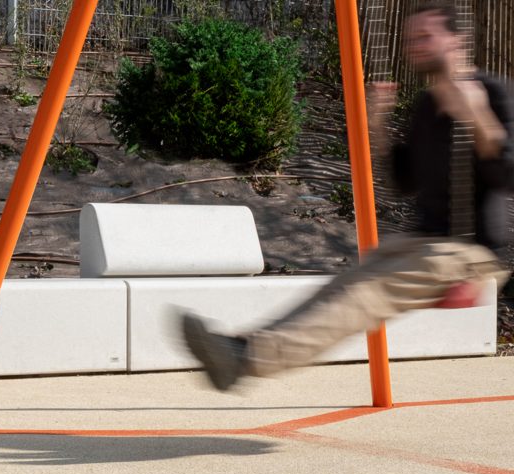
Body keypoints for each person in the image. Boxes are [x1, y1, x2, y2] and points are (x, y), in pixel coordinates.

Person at [182, 0, 514, 391]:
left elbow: (507, 173)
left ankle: (247, 359)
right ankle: (242, 346)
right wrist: (379, 125)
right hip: (420, 243)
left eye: (426, 36)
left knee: (364, 296)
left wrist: (477, 115)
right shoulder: (426, 106)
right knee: (339, 286)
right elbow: (403, 181)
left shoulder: (491, 91)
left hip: (469, 254)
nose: (416, 45)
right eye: (412, 39)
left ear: (456, 40)